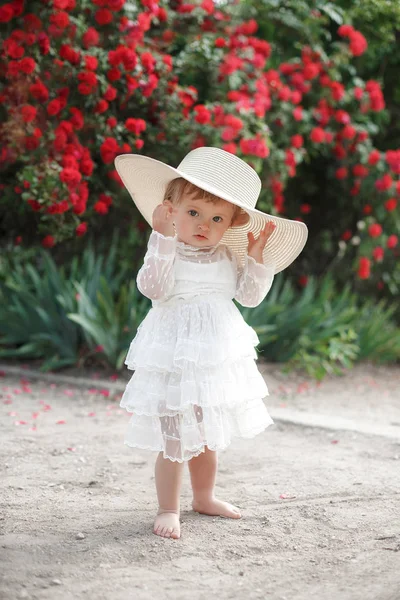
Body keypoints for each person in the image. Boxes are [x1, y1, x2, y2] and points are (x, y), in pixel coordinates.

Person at [114, 147, 308, 540]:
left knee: (206, 434)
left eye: (217, 218)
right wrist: (161, 236)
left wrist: (256, 258)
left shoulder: (226, 256)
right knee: (174, 436)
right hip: (173, 354)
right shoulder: (165, 248)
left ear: (231, 224)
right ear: (170, 210)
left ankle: (204, 496)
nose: (204, 224)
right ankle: (168, 507)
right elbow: (152, 287)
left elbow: (250, 297)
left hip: (212, 357)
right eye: (193, 213)